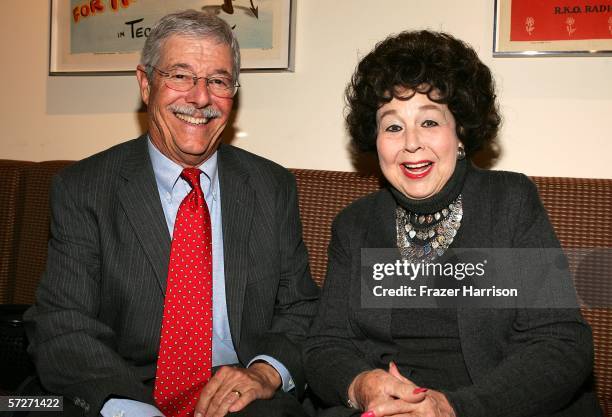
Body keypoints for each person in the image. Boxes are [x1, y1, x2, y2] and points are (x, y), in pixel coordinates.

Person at [24, 10, 319, 417]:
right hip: (123, 384)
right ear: (146, 84)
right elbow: (63, 321)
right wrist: (132, 408)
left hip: (234, 391)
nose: (200, 98)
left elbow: (300, 307)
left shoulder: (271, 186)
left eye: (217, 80)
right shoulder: (84, 188)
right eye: (180, 76)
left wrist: (265, 373)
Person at [303, 30, 602, 417]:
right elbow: (325, 345)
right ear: (375, 140)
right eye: (393, 126)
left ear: (460, 133)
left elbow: (561, 342)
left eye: (429, 122)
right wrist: (363, 386)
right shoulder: (354, 225)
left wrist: (452, 408)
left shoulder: (509, 202)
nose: (411, 142)